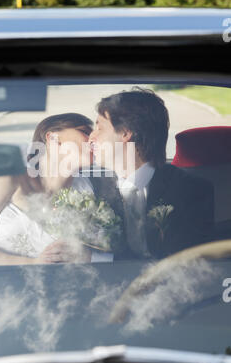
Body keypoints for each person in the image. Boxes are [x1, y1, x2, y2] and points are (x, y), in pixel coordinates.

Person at [88, 86, 215, 259]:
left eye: (99, 128)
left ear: (125, 133)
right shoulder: (92, 189)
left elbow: (189, 265)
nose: (91, 138)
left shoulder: (191, 190)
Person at [0, 113, 113, 265]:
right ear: (52, 138)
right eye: (85, 132)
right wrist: (33, 263)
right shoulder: (8, 181)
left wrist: (89, 257)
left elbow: (119, 255)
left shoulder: (101, 188)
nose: (92, 139)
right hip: (5, 286)